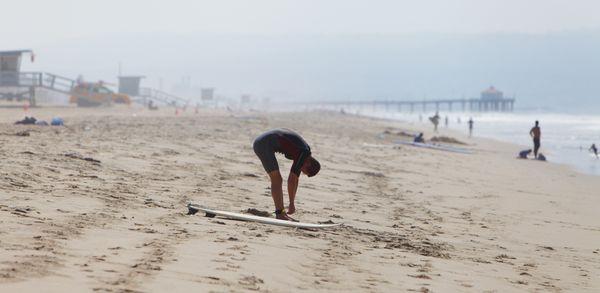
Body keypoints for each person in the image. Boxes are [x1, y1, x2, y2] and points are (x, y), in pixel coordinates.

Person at [253, 129, 321, 221]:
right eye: (304, 171)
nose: (301, 171)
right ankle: (280, 214)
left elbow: (295, 179)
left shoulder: (305, 152)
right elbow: (292, 179)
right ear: (308, 164)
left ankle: (281, 213)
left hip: (264, 141)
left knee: (277, 179)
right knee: (277, 179)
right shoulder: (302, 153)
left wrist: (292, 203)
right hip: (263, 144)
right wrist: (291, 203)